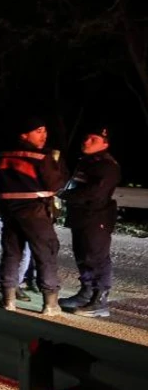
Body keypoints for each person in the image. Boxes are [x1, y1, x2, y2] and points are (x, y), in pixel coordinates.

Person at [0, 117, 68, 315]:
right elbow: (56, 184)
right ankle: (50, 303)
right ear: (24, 134)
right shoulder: (42, 157)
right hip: (35, 213)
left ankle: (8, 299)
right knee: (46, 254)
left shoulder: (1, 156)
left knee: (11, 254)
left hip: (9, 212)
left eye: (44, 131)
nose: (44, 136)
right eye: (38, 131)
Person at [59, 126, 121, 318]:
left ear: (105, 143)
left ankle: (99, 301)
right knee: (83, 257)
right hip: (82, 217)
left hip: (96, 218)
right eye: (86, 137)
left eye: (93, 139)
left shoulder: (106, 165)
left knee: (97, 258)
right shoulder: (88, 162)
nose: (86, 141)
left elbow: (94, 193)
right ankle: (86, 293)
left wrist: (64, 195)